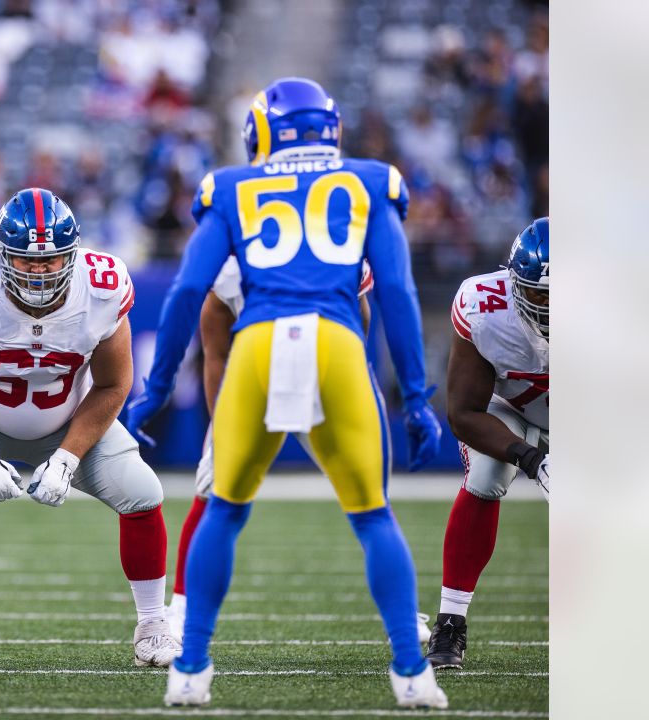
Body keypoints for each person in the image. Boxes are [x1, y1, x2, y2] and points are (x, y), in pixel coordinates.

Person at [124, 77, 447, 709]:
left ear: (261, 133)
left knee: (224, 509)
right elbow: (397, 295)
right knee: (373, 514)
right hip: (335, 342)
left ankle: (189, 671)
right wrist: (414, 393)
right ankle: (412, 675)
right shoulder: (371, 181)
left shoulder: (231, 186)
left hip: (260, 344)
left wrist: (157, 386)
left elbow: (188, 291)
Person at [0, 188, 179, 670]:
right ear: (2, 255)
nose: (40, 272)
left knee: (143, 491)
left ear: (73, 254)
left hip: (70, 420)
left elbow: (113, 384)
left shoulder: (102, 286)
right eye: (26, 261)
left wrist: (68, 456)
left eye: (52, 260)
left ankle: (152, 625)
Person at [164, 261, 435, 647]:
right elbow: (216, 354)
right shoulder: (230, 260)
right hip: (254, 378)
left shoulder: (340, 247)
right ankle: (180, 611)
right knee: (212, 493)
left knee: (370, 497)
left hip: (325, 376)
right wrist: (220, 422)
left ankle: (402, 612)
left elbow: (359, 329)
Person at [426, 218, 549, 669]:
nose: (552, 308)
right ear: (515, 283)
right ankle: (450, 623)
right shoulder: (485, 306)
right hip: (506, 410)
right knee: (486, 475)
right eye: (540, 294)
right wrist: (533, 459)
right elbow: (463, 413)